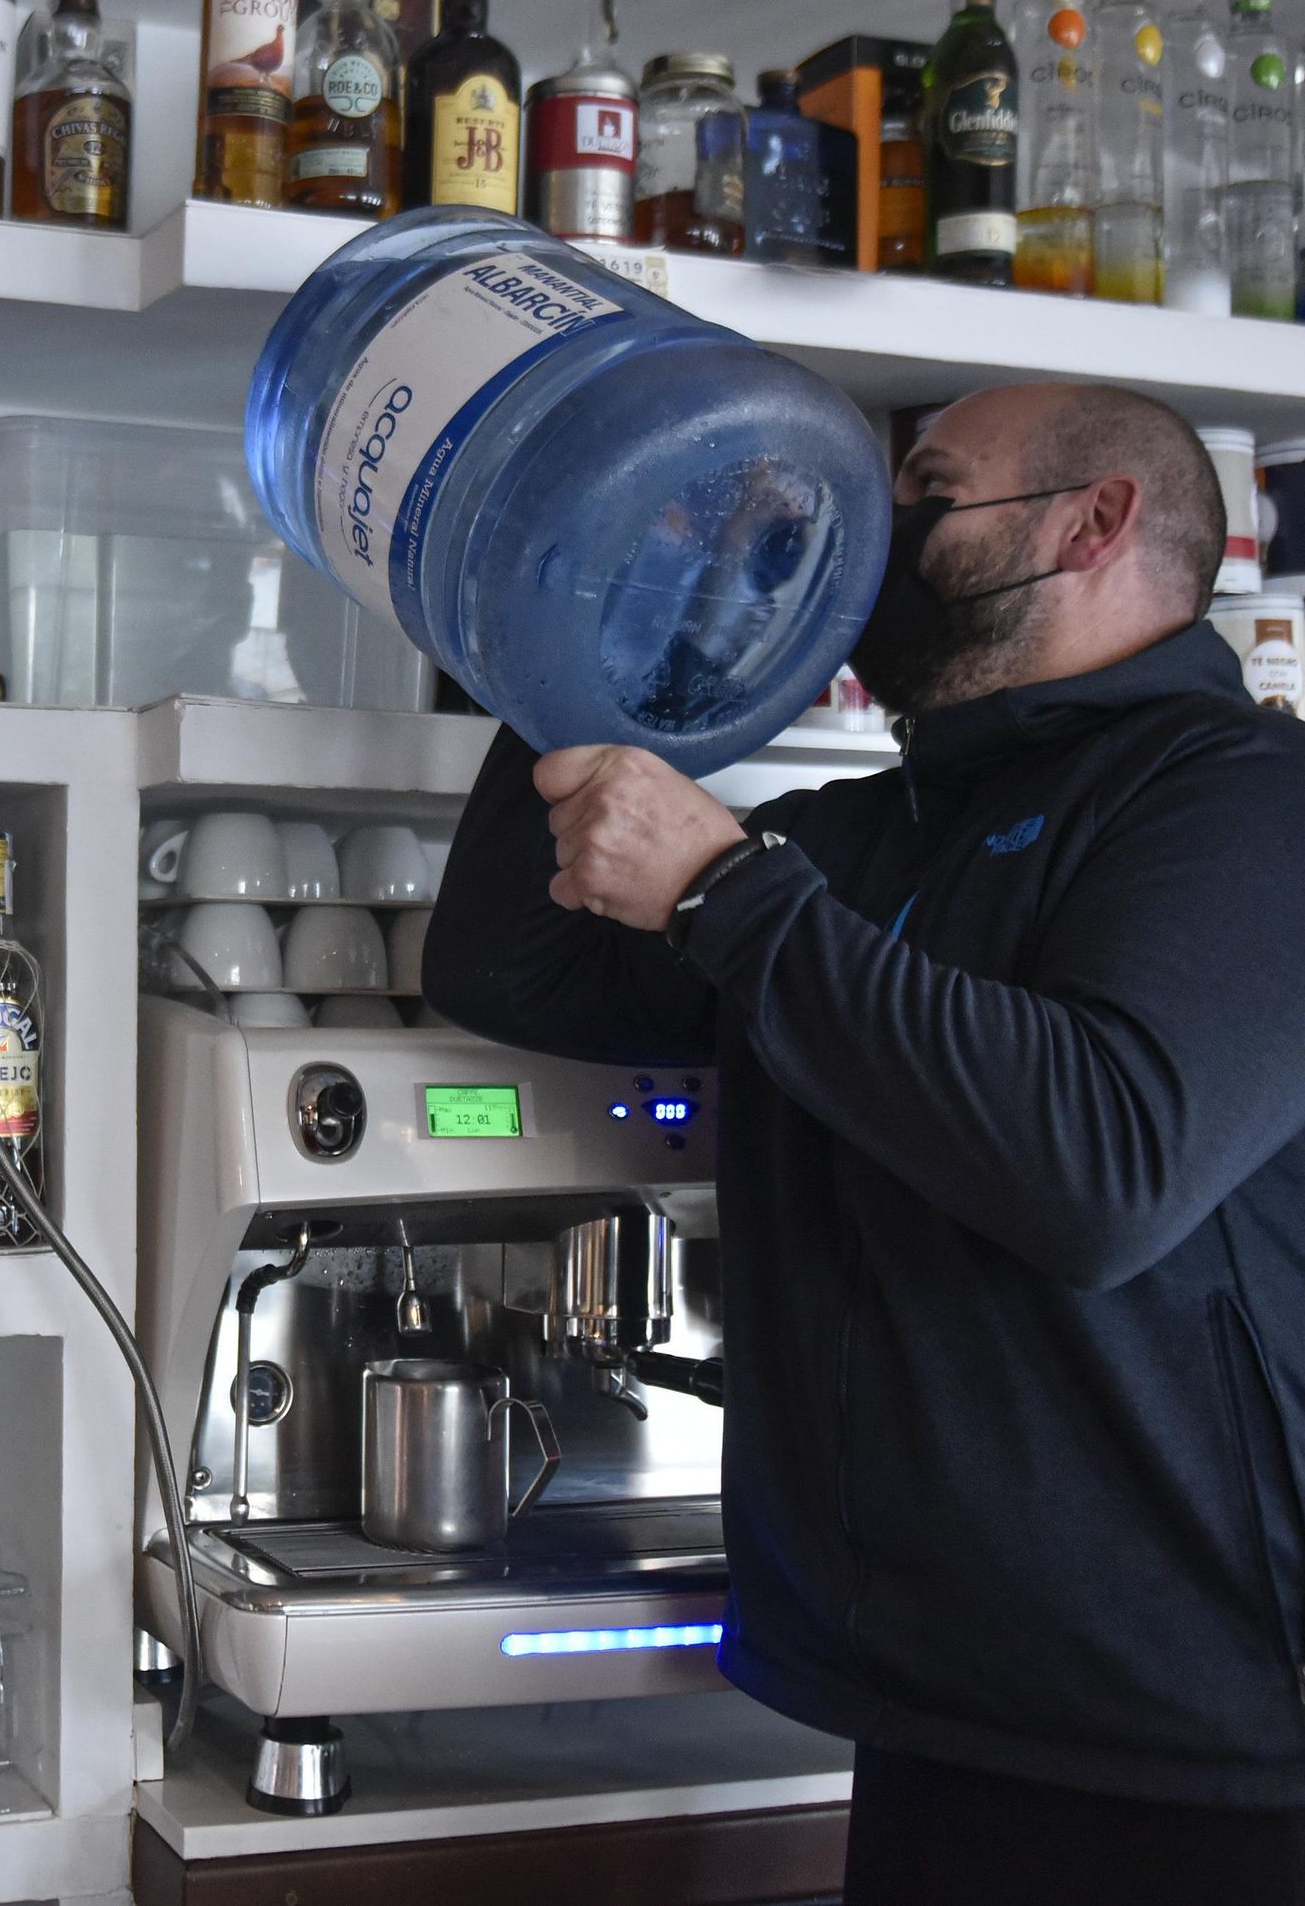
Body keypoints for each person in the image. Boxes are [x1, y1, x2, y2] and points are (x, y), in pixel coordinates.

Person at [423, 382, 1305, 1905]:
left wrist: (723, 892)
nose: (873, 538)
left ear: (1093, 523)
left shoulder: (1244, 802)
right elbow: (514, 969)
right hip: (928, 1712)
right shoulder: (872, 834)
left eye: (927, 493)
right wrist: (595, 638)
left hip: (1193, 1745)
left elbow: (1104, 1166)